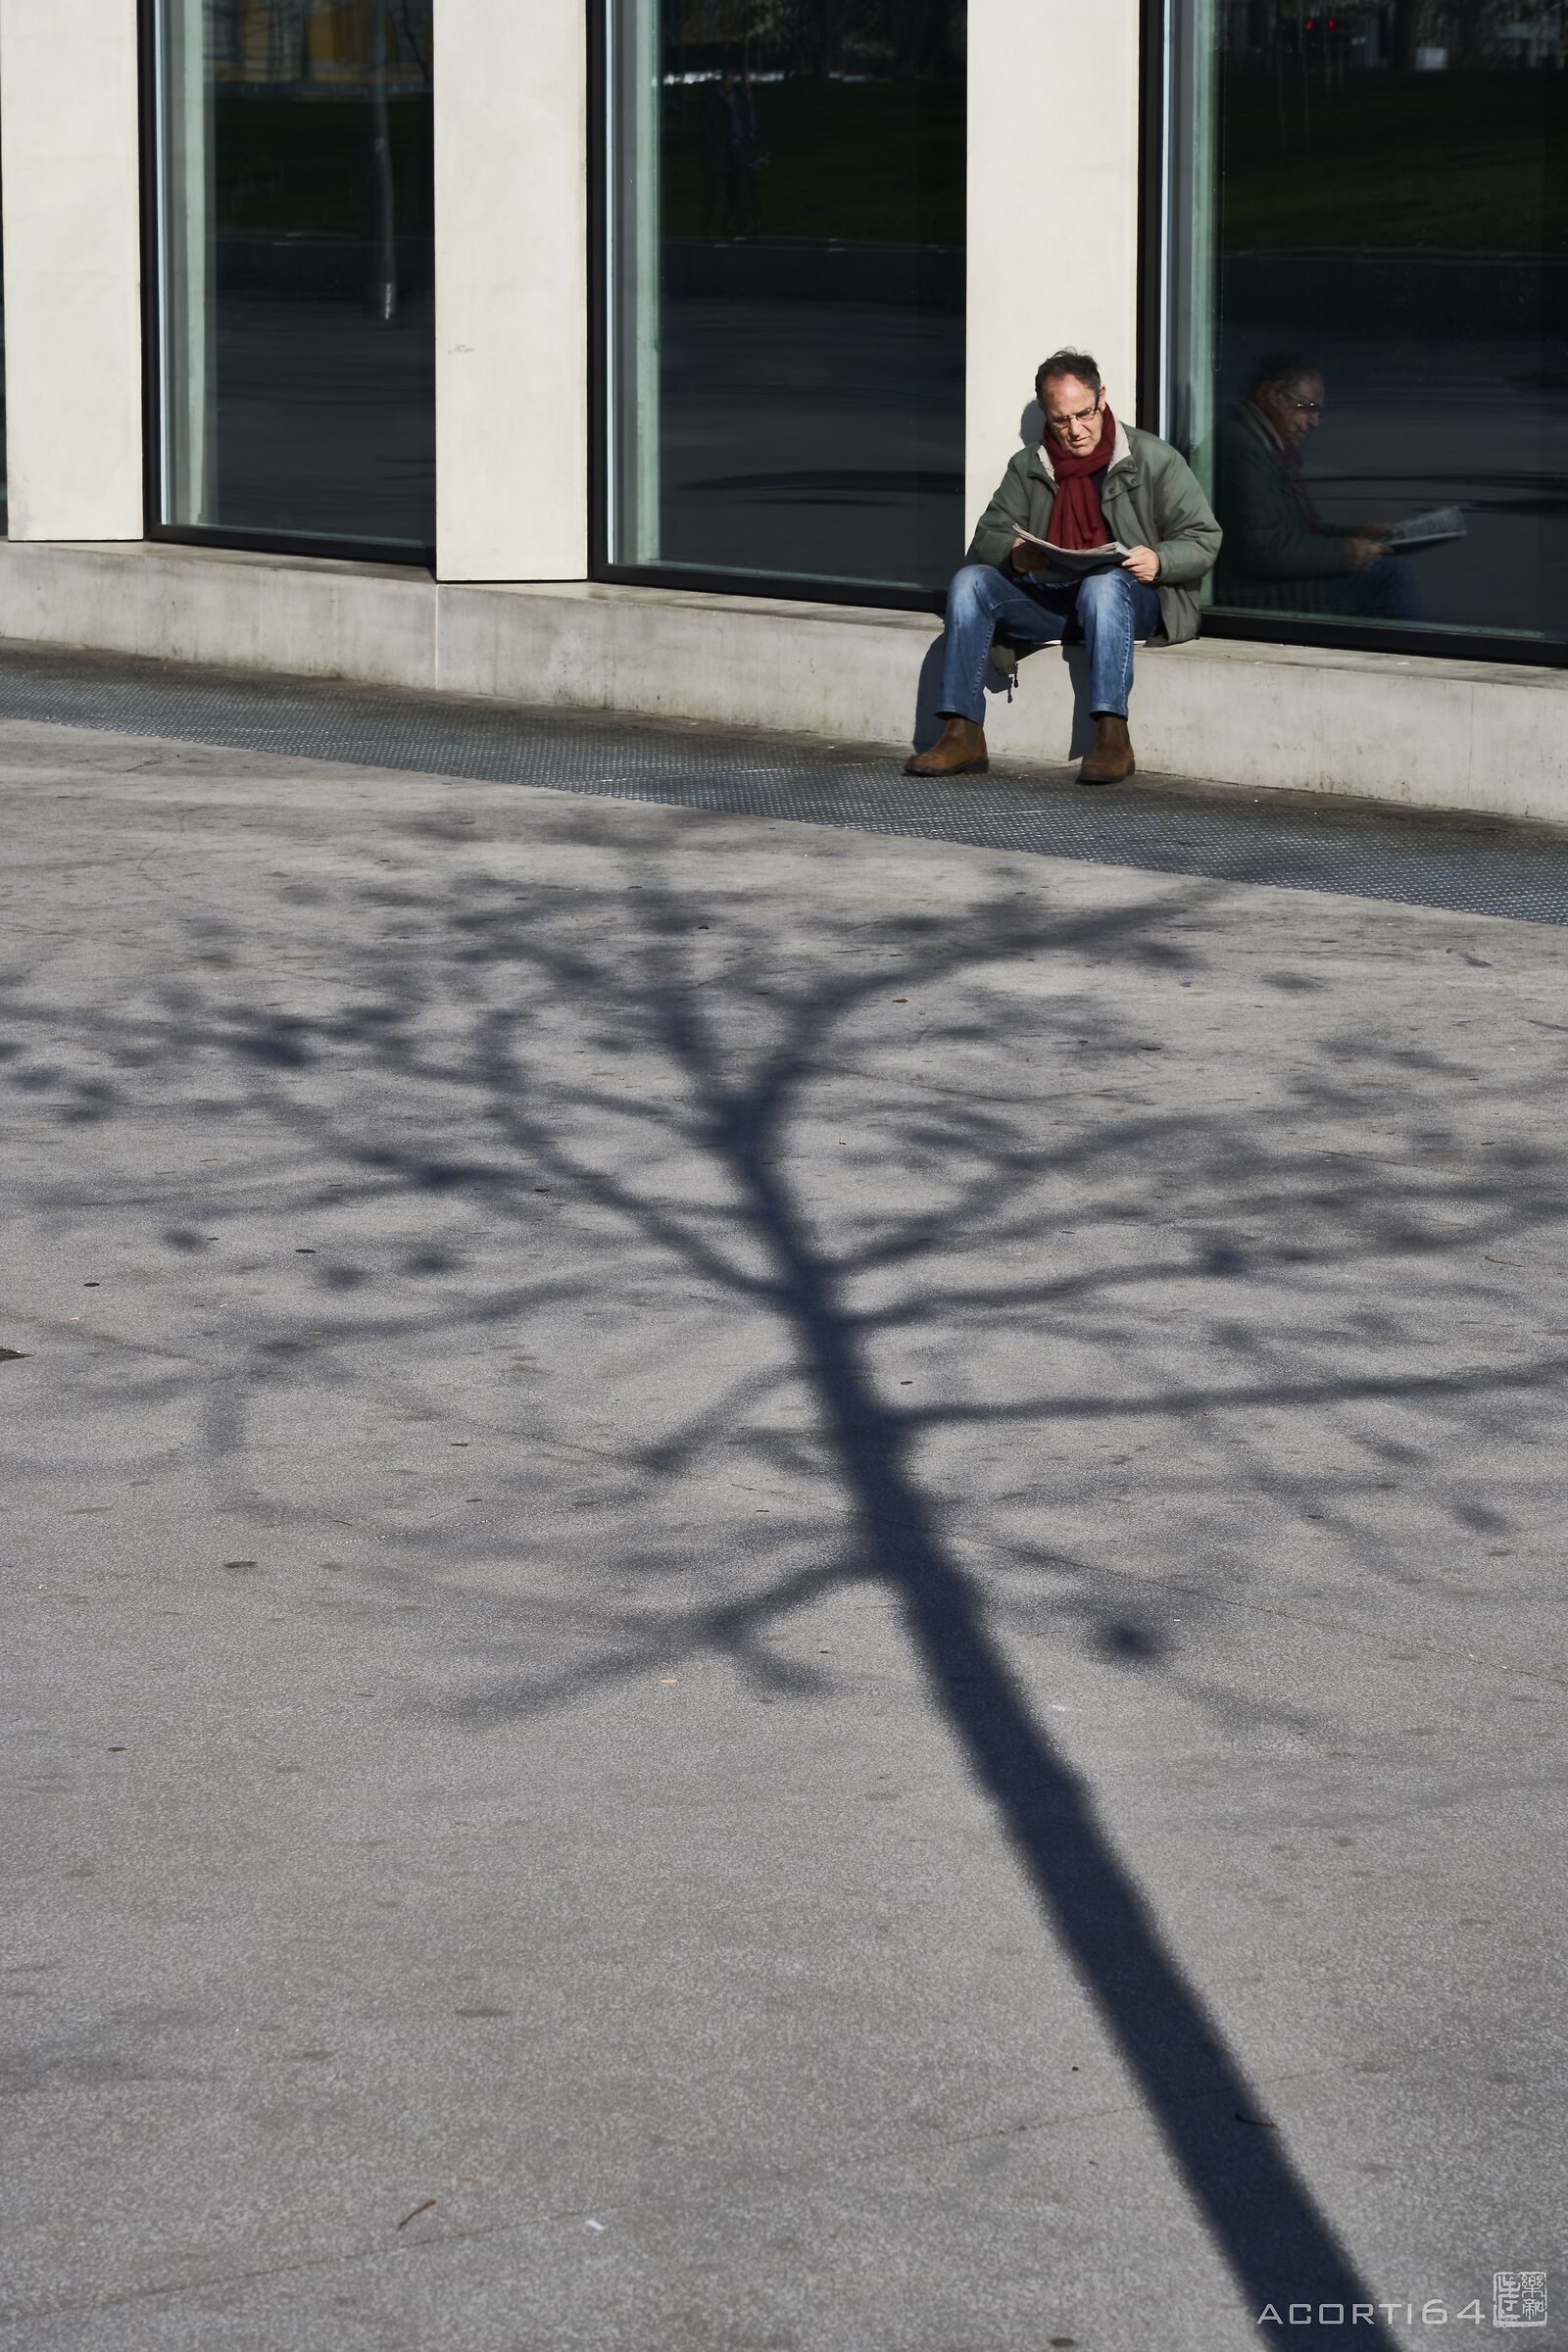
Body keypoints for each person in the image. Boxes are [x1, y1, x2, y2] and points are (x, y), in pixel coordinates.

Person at [906, 350, 1221, 786]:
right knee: (970, 581)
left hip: (1131, 600)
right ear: (1046, 415)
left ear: (1103, 398)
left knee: (1104, 584)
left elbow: (1203, 538)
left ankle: (1112, 736)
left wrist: (1161, 559)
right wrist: (1013, 552)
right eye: (1060, 420)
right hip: (1054, 599)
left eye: (1084, 413)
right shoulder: (1030, 465)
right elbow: (988, 535)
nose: (1075, 430)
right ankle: (962, 732)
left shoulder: (1152, 458)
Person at [1211, 352, 1420, 622]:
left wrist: (1353, 535)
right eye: (1307, 407)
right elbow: (1261, 548)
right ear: (1270, 394)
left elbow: (1287, 532)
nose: (1314, 422)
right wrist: (1344, 553)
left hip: (1259, 582)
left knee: (1390, 569)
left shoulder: (1255, 442)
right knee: (1394, 575)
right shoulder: (1244, 450)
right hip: (1251, 591)